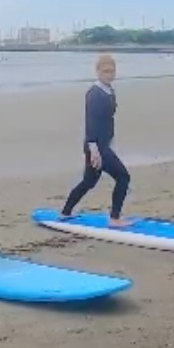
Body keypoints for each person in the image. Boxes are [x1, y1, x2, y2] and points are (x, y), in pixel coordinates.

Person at [61, 54, 132, 227]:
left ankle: (65, 212)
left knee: (89, 182)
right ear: (98, 71)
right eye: (106, 71)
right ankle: (115, 218)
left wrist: (109, 142)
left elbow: (107, 120)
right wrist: (94, 150)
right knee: (123, 177)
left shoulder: (109, 90)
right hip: (96, 147)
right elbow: (91, 123)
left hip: (102, 145)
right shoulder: (94, 94)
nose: (109, 74)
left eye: (112, 71)